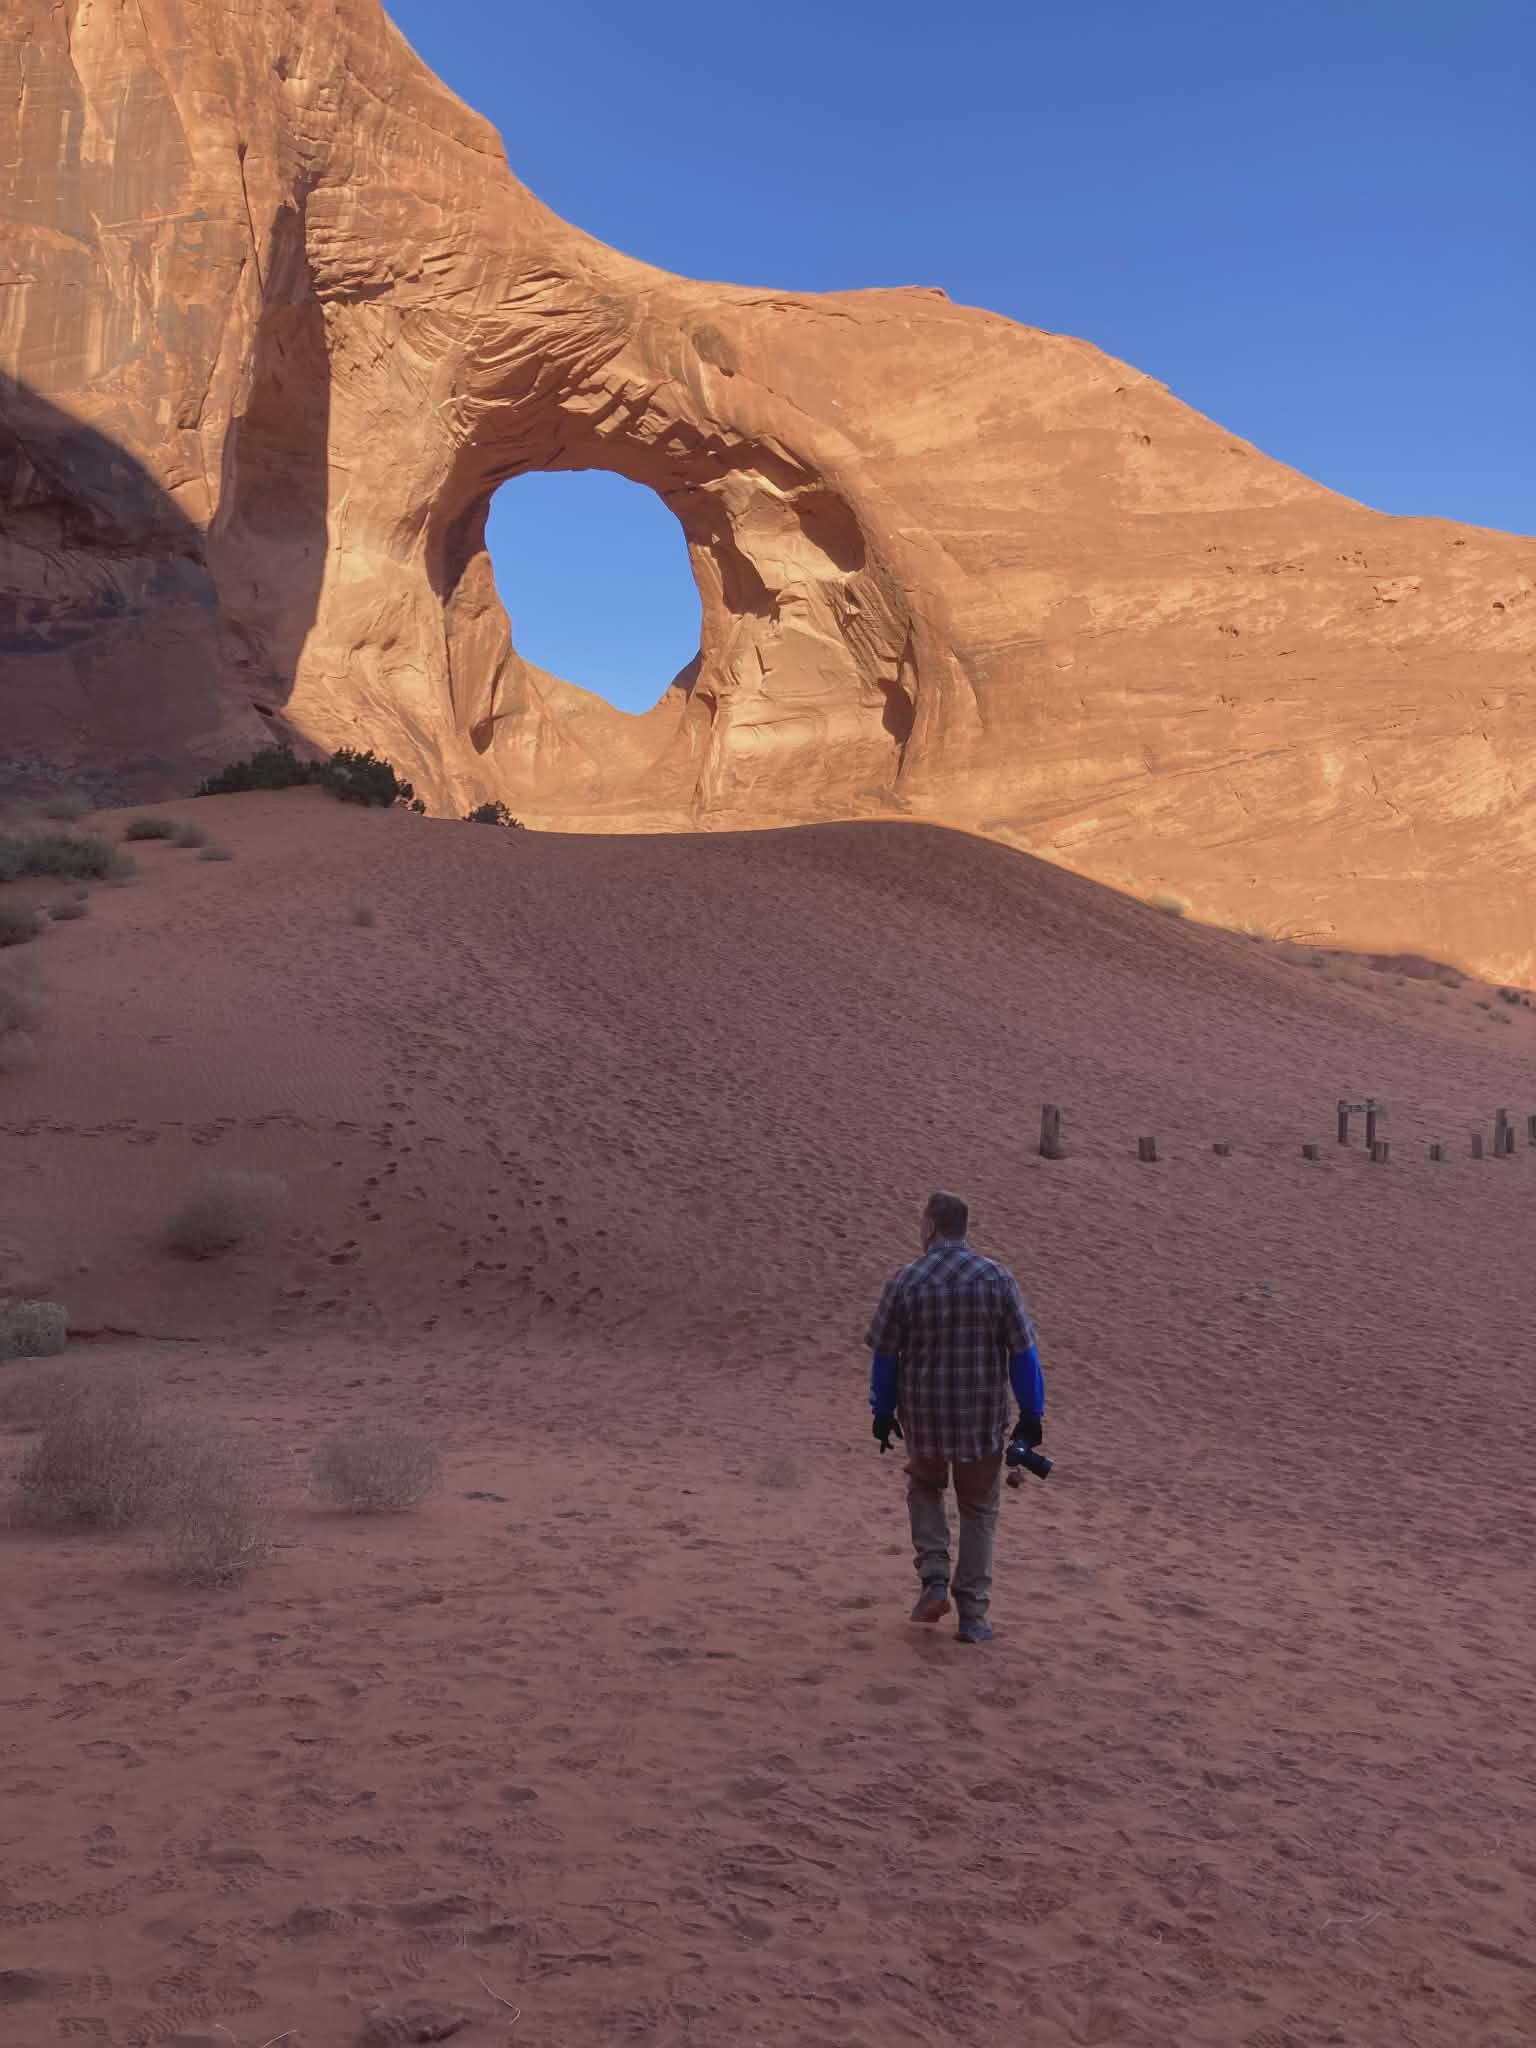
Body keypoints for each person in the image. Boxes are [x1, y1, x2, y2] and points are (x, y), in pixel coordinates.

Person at [865, 1191, 1045, 1644]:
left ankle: (934, 1580)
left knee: (925, 1487)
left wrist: (882, 1411)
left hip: (924, 1417)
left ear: (930, 1228)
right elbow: (1023, 1354)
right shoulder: (997, 1278)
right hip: (981, 1419)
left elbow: (884, 1357)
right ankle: (974, 1617)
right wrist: (1032, 1413)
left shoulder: (905, 1281)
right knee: (979, 1509)